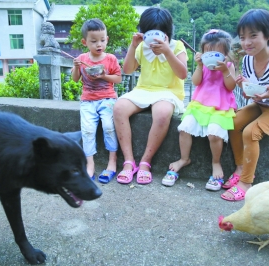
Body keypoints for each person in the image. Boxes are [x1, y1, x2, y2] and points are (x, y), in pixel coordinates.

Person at [221, 9, 269, 201]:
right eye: (242, 37)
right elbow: (251, 91)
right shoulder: (248, 59)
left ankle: (246, 183)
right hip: (260, 103)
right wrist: (243, 85)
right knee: (232, 121)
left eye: (253, 36)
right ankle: (240, 168)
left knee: (250, 132)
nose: (246, 42)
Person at [113, 7, 188, 185]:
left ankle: (145, 162)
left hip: (168, 92)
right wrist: (133, 45)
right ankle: (129, 161)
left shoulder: (177, 46)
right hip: (144, 90)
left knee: (162, 113)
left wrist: (167, 52)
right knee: (118, 108)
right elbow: (128, 69)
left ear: (167, 32)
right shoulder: (141, 47)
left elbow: (183, 74)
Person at [162, 29, 237, 188]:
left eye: (216, 52)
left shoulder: (228, 66)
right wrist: (198, 65)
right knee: (185, 128)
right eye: (207, 51)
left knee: (214, 133)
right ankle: (184, 158)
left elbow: (230, 86)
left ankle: (216, 163)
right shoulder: (202, 66)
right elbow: (196, 82)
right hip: (199, 104)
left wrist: (224, 71)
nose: (211, 55)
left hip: (220, 106)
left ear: (225, 53)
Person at [71, 18, 122, 183]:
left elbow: (118, 79)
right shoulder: (82, 58)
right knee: (87, 130)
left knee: (108, 126)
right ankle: (90, 165)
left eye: (102, 40)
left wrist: (103, 76)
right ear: (85, 42)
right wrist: (76, 67)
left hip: (108, 99)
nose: (98, 44)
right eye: (93, 41)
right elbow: (75, 79)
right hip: (88, 100)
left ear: (107, 39)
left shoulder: (111, 59)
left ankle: (112, 162)